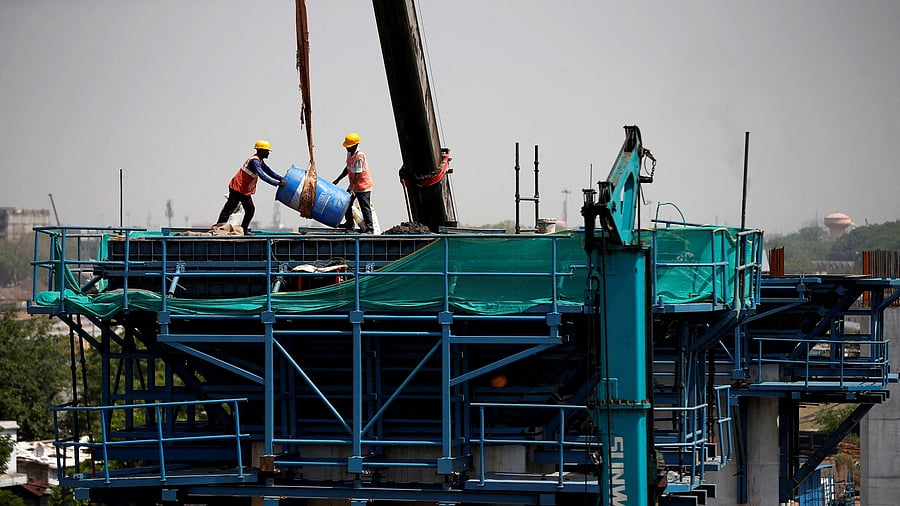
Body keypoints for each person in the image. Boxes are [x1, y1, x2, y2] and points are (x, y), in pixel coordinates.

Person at [216, 140, 285, 234]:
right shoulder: (254, 162)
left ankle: (243, 230)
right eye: (267, 151)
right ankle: (218, 229)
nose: (269, 153)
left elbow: (269, 171)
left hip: (243, 190)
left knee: (250, 210)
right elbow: (262, 175)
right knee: (229, 209)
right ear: (261, 151)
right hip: (237, 188)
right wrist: (276, 183)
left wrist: (281, 178)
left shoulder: (259, 161)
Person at [333, 132, 374, 233]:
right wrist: (338, 179)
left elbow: (357, 173)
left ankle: (370, 228)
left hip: (363, 185)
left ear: (355, 145)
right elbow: (348, 168)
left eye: (349, 146)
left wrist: (353, 188)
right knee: (346, 203)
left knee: (364, 207)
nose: (347, 148)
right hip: (354, 185)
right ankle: (349, 223)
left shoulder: (359, 156)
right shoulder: (350, 154)